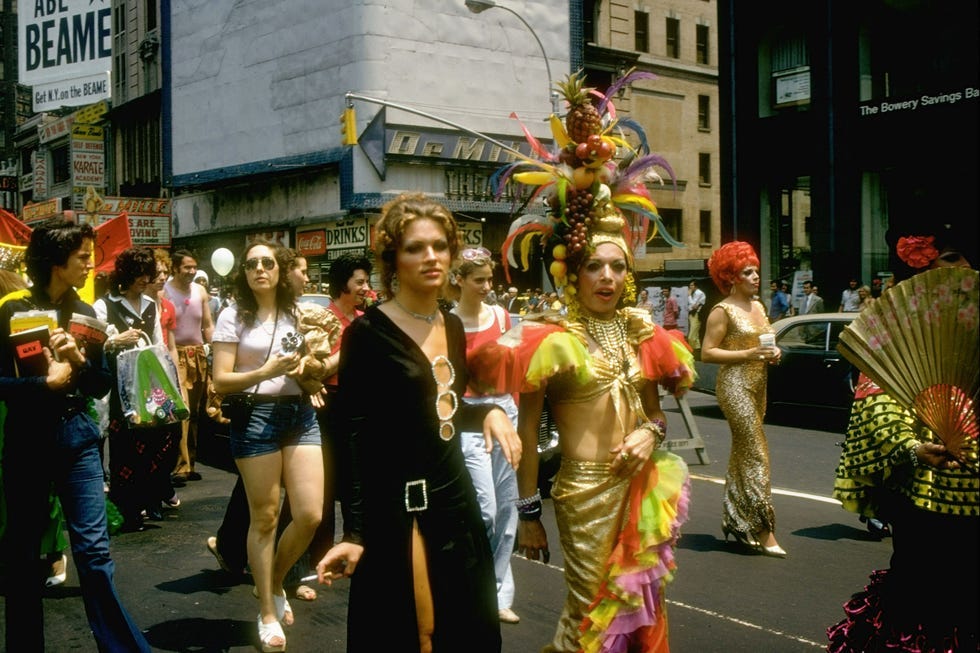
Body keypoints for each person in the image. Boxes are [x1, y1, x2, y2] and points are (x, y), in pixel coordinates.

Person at [468, 208, 695, 652]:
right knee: (591, 611)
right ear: (572, 273)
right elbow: (528, 433)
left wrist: (651, 434)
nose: (606, 276)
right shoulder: (550, 336)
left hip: (643, 492)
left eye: (617, 266)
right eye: (593, 266)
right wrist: (528, 512)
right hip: (585, 493)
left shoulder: (641, 334)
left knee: (641, 611)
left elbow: (656, 414)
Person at [314, 193, 521, 653]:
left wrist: (485, 411)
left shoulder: (450, 325)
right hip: (397, 512)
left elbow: (438, 409)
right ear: (393, 259)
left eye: (439, 246)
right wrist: (355, 532)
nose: (430, 257)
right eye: (414, 248)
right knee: (415, 633)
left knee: (466, 631)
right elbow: (352, 438)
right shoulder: (366, 335)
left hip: (456, 504)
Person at [0, 218, 152, 651]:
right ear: (55, 260)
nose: (92, 265)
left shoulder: (88, 314)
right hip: (26, 438)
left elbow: (100, 385)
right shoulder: (11, 309)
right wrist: (41, 385)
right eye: (83, 257)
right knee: (25, 556)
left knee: (94, 555)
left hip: (77, 437)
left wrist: (82, 363)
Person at [827, 227, 978, 652]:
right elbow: (875, 400)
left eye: (961, 258)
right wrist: (908, 447)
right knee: (924, 589)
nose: (957, 269)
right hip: (922, 485)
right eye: (947, 258)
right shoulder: (896, 327)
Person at [211, 239, 325, 652]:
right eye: (252, 264)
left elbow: (315, 360)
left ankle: (274, 581)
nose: (260, 269)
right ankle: (266, 612)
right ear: (243, 273)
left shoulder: (298, 312)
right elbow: (221, 380)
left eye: (268, 262)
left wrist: (311, 369)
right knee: (266, 518)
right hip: (255, 417)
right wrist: (266, 370)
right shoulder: (232, 316)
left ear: (281, 269)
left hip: (299, 414)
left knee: (310, 513)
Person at [449, 246, 521, 625]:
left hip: (505, 411)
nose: (487, 287)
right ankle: (473, 584)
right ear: (458, 281)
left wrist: (518, 418)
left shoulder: (503, 316)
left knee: (508, 509)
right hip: (470, 418)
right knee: (485, 510)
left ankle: (497, 592)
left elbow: (518, 369)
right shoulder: (447, 323)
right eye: (479, 280)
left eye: (489, 279)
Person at [700, 241, 786, 558]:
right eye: (746, 272)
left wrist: (773, 353)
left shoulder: (760, 307)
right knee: (756, 453)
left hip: (759, 384)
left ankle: (737, 521)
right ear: (731, 277)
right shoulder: (722, 311)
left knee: (742, 454)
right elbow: (707, 353)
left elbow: (766, 344)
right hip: (734, 385)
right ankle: (765, 530)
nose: (755, 276)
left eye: (755, 271)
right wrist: (749, 353)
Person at [94, 246, 180, 531]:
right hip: (119, 386)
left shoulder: (150, 305)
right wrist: (115, 341)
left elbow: (158, 344)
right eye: (140, 275)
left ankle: (151, 497)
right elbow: (95, 345)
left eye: (149, 275)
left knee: (158, 438)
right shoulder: (105, 305)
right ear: (127, 275)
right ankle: (127, 507)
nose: (146, 281)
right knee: (124, 448)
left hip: (147, 384)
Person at [164, 249, 215, 484]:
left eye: (194, 267)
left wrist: (214, 349)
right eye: (186, 267)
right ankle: (179, 465)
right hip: (176, 355)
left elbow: (207, 325)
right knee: (181, 411)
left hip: (198, 356)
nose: (191, 272)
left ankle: (191, 462)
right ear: (175, 268)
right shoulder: (164, 290)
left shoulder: (200, 291)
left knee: (195, 413)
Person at [687, 279, 706, 350]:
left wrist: (689, 296)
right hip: (692, 314)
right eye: (689, 285)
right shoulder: (694, 293)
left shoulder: (698, 293)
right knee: (696, 335)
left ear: (696, 286)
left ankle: (691, 349)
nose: (690, 287)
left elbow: (693, 305)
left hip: (696, 314)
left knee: (691, 336)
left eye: (691, 285)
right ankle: (697, 350)